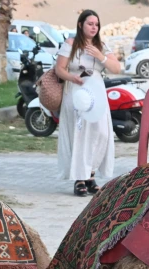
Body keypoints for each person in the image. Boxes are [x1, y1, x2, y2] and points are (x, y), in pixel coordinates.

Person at [54, 9, 121, 197]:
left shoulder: (102, 45)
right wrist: (72, 78)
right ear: (80, 25)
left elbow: (116, 68)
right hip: (76, 93)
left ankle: (91, 174)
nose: (94, 27)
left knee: (101, 133)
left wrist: (100, 56)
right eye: (90, 23)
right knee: (80, 134)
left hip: (96, 92)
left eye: (96, 24)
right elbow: (59, 69)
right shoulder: (71, 44)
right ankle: (80, 179)